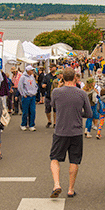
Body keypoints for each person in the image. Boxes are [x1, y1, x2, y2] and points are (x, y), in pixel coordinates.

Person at [49, 67, 93, 198]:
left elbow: (53, 106)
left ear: (62, 78)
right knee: (74, 160)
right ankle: (70, 189)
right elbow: (89, 113)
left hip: (60, 130)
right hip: (76, 131)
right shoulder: (82, 93)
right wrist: (79, 114)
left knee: (54, 158)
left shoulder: (56, 92)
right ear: (75, 78)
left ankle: (57, 184)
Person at [18, 65, 38, 131]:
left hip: (32, 96)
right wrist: (23, 94)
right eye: (31, 70)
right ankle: (23, 124)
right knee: (25, 111)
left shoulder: (32, 77)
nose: (32, 71)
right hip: (26, 96)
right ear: (28, 71)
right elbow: (20, 87)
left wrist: (35, 91)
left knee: (32, 111)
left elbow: (35, 85)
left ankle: (31, 124)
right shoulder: (23, 77)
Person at [42, 63, 57, 128]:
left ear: (55, 67)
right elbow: (43, 82)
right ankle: (49, 121)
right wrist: (43, 85)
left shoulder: (57, 76)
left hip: (56, 96)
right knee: (47, 110)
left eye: (51, 67)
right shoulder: (47, 76)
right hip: (48, 95)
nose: (50, 68)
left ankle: (55, 122)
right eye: (50, 67)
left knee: (55, 110)